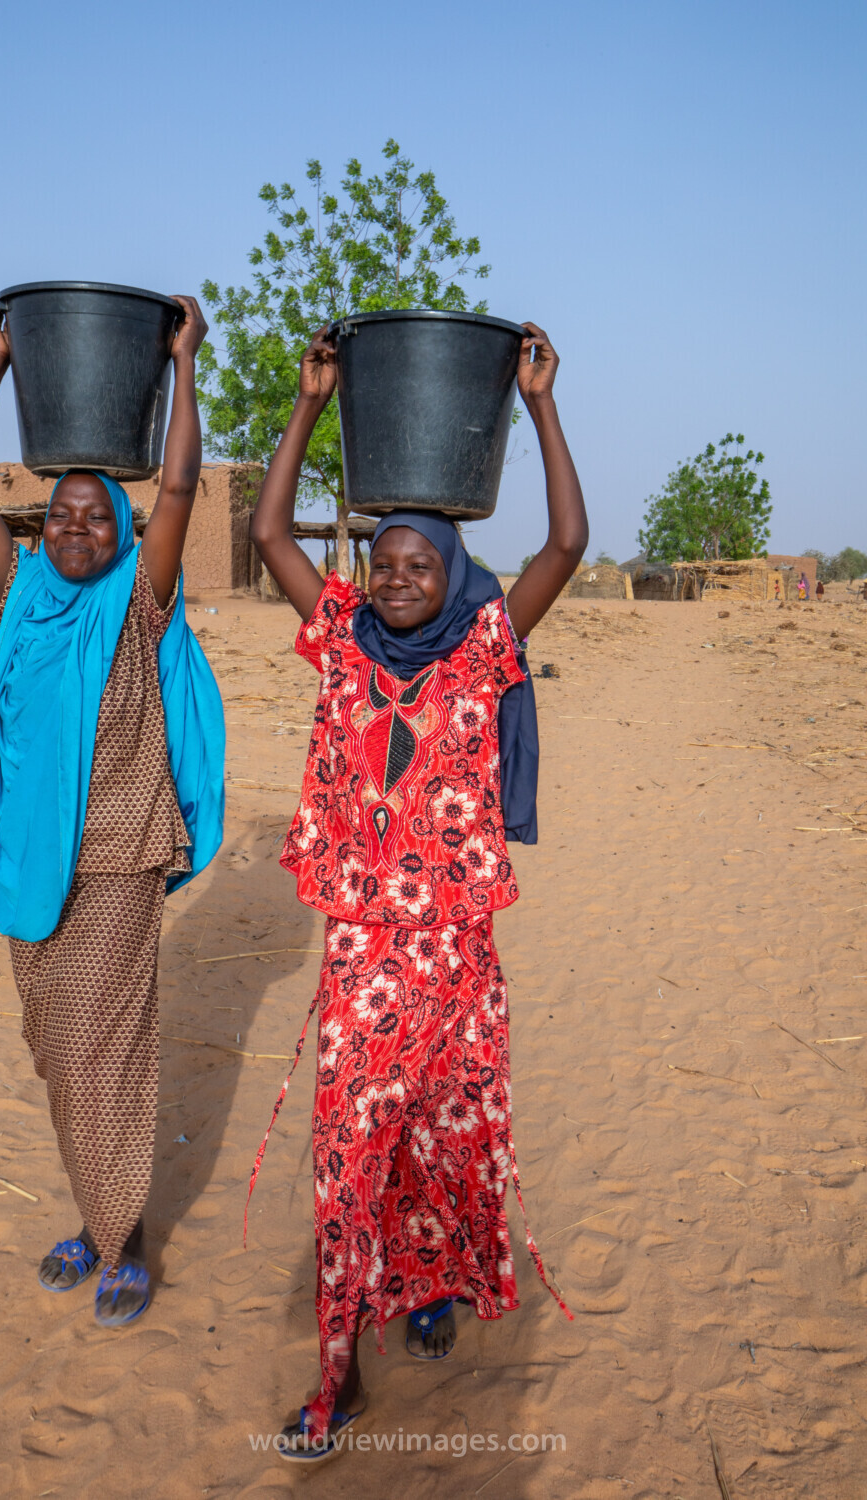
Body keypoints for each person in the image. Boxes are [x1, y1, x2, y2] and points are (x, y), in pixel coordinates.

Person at [247, 320, 588, 1461]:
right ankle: (336, 1375)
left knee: (442, 1142)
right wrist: (312, 402)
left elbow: (566, 544)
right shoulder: (341, 642)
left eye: (419, 564)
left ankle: (430, 1289)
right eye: (382, 559)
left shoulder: (482, 650)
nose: (396, 578)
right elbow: (260, 529)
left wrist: (538, 404)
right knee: (348, 1156)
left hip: (455, 969)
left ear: (453, 578)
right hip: (358, 967)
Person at [0, 294, 225, 1326]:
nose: (73, 525)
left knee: (103, 1047)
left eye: (94, 514)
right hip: (26, 860)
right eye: (59, 512)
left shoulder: (135, 600)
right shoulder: (15, 592)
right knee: (55, 1049)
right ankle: (96, 1218)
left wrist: (184, 365)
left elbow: (183, 480)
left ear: (120, 531)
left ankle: (129, 1241)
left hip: (115, 858)